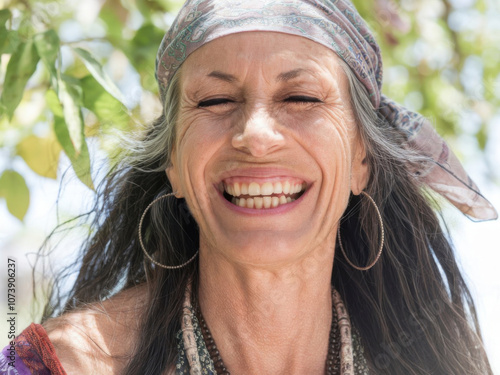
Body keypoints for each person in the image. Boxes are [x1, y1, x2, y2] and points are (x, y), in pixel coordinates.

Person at [1, 0, 497, 374]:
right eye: (215, 100)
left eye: (301, 96)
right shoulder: (63, 364)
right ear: (173, 160)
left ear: (361, 160)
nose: (255, 136)